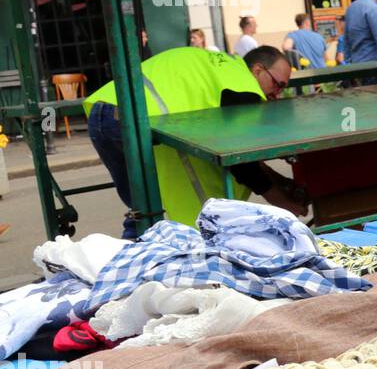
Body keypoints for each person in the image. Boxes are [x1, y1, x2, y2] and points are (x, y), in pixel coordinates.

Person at [85, 46, 306, 236]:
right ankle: (137, 266)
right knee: (146, 210)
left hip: (103, 115)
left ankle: (131, 267)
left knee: (142, 210)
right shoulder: (243, 85)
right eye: (278, 85)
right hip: (130, 120)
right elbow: (239, 159)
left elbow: (238, 151)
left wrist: (279, 181)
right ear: (258, 70)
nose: (276, 94)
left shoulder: (222, 67)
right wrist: (279, 199)